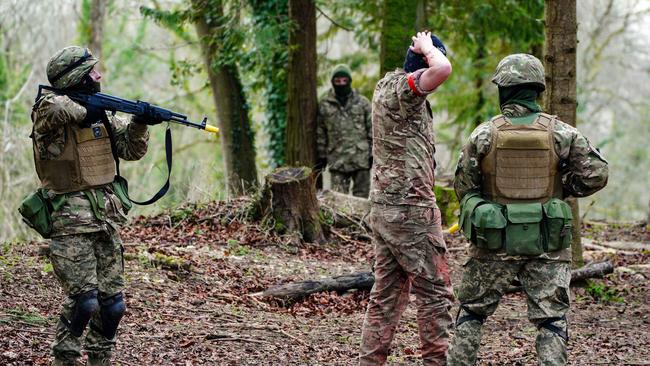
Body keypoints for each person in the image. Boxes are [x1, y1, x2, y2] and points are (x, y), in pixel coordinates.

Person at [447, 54, 609, 366]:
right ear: (537, 90)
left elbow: (464, 186)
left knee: (471, 314)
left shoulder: (484, 134)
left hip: (494, 245)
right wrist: (562, 189)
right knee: (551, 321)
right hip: (546, 245)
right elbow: (598, 173)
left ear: (503, 91)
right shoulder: (562, 134)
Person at [30, 46, 162, 366]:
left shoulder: (100, 113)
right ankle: (65, 357)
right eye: (91, 71)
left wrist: (140, 122)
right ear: (76, 78)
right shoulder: (49, 108)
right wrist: (91, 108)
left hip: (106, 215)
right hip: (69, 219)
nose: (99, 76)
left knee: (113, 304)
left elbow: (129, 150)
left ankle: (100, 359)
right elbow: (59, 110)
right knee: (83, 302)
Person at [359, 31, 454, 366]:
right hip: (411, 211)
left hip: (386, 209)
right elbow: (443, 69)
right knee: (435, 292)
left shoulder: (388, 88)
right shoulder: (404, 90)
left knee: (386, 295)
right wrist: (429, 49)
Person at [316, 64, 372, 197]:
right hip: (337, 161)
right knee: (339, 201)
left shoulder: (362, 103)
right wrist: (321, 156)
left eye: (344, 81)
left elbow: (372, 129)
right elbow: (320, 132)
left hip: (361, 159)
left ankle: (361, 220)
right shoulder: (324, 105)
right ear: (332, 83)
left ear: (349, 81)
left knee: (362, 200)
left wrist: (372, 154)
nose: (341, 84)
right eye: (337, 81)